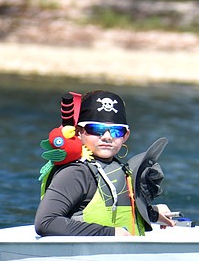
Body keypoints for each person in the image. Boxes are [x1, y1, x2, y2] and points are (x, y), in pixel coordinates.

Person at [35, 90, 175, 236]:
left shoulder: (119, 169)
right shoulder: (76, 173)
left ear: (126, 135)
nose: (107, 137)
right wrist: (110, 233)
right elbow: (46, 222)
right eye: (96, 129)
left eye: (116, 131)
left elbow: (114, 214)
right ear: (78, 131)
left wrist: (151, 213)